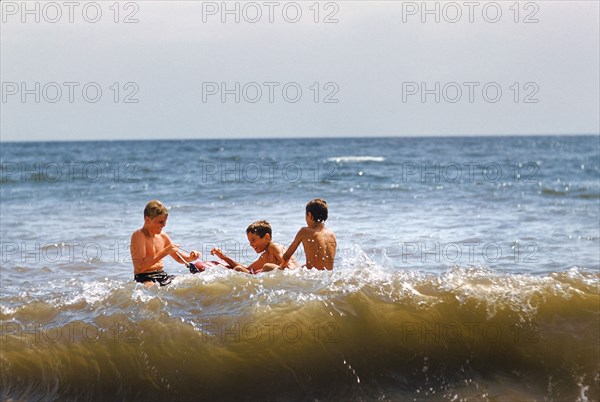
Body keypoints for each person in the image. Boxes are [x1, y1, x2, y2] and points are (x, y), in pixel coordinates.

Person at [130, 200, 200, 286]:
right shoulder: (138, 235)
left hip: (162, 275)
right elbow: (140, 268)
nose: (164, 225)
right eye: (160, 222)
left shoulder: (163, 236)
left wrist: (191, 257)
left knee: (190, 283)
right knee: (152, 288)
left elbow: (178, 258)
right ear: (147, 220)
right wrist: (165, 251)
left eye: (165, 221)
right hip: (144, 277)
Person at [211, 220, 298, 274]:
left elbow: (289, 267)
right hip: (283, 276)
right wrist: (224, 257)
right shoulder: (265, 256)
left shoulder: (275, 247)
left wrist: (268, 269)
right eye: (249, 241)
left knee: (267, 266)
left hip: (293, 274)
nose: (251, 244)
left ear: (266, 237)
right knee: (238, 269)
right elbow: (247, 269)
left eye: (253, 240)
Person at [276, 198, 337, 271]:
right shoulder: (331, 234)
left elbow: (286, 256)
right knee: (303, 266)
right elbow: (322, 263)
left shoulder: (304, 231)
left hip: (313, 277)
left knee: (267, 266)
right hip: (328, 277)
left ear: (309, 215)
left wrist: (281, 268)